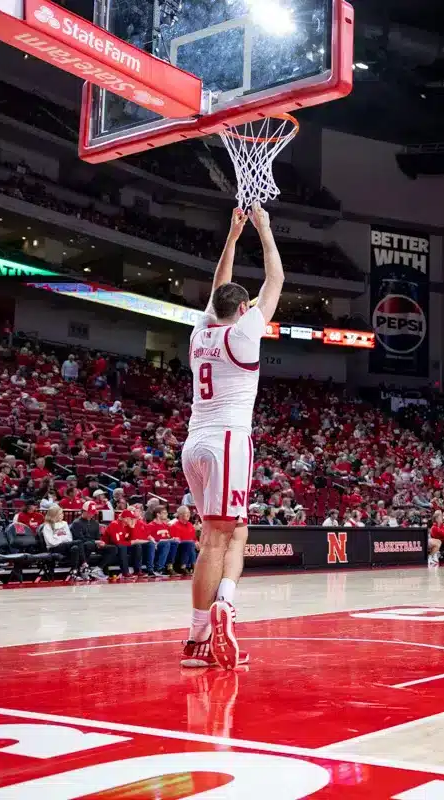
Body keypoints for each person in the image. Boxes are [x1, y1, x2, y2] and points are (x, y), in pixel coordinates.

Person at [181, 204, 284, 670]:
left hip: (194, 441)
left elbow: (219, 289)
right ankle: (200, 634)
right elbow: (274, 282)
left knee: (232, 532)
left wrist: (232, 235)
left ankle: (225, 601)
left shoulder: (200, 333)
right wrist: (263, 229)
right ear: (242, 311)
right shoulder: (243, 335)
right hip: (227, 441)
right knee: (217, 541)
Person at [39, 504, 90, 581]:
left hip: (65, 546)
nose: (63, 515)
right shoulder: (47, 526)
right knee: (79, 542)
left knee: (75, 548)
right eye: (60, 514)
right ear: (54, 515)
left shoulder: (64, 523)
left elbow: (69, 538)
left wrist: (59, 539)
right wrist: (63, 540)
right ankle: (84, 564)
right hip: (54, 548)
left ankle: (74, 573)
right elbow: (51, 542)